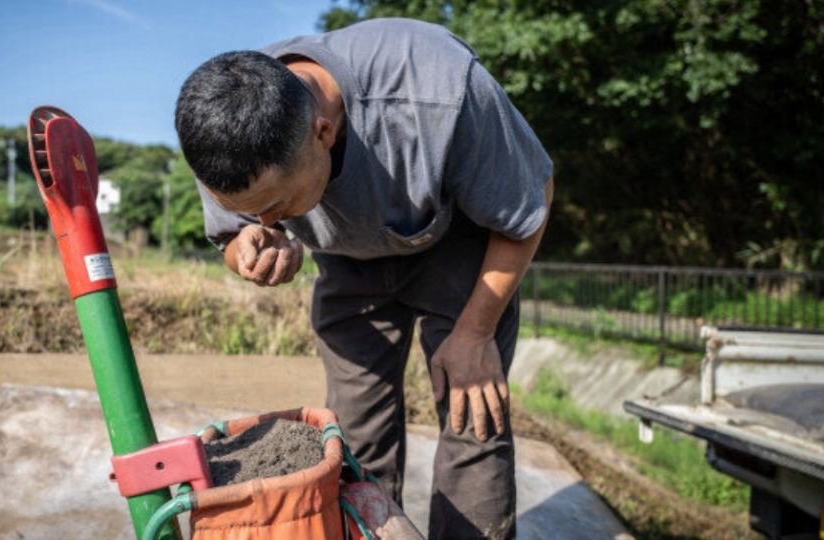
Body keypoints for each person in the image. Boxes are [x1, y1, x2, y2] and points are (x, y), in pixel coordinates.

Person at [174, 17, 553, 540]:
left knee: (474, 419)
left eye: (275, 206)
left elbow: (530, 205)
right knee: (354, 436)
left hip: (456, 244)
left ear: (322, 133)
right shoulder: (223, 129)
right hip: (348, 262)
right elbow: (232, 236)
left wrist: (476, 333)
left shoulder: (436, 91)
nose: (267, 221)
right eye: (249, 211)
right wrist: (245, 251)